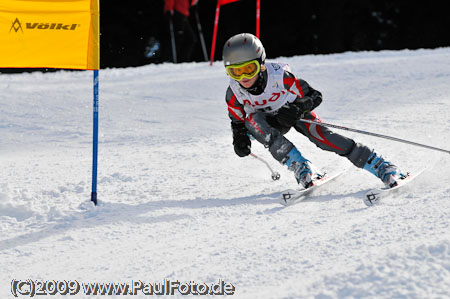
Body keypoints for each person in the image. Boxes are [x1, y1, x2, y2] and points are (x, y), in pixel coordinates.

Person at [223, 33, 405, 189]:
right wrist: (240, 139)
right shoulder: (234, 93)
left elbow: (314, 95)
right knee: (252, 120)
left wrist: (297, 108)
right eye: (235, 72)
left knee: (322, 137)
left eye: (249, 69)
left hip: (295, 114)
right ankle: (302, 167)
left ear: (261, 64)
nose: (244, 77)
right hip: (270, 124)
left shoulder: (279, 77)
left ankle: (381, 165)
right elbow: (237, 121)